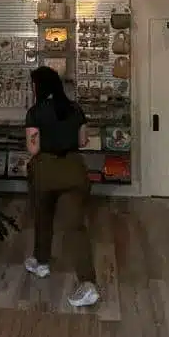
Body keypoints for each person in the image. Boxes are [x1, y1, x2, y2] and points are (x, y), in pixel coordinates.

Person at [23, 66, 99, 307]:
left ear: (39, 87)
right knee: (75, 226)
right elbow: (83, 141)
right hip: (74, 170)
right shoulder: (75, 109)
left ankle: (42, 262)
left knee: (43, 216)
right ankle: (87, 282)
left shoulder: (35, 112)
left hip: (46, 169)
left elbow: (33, 149)